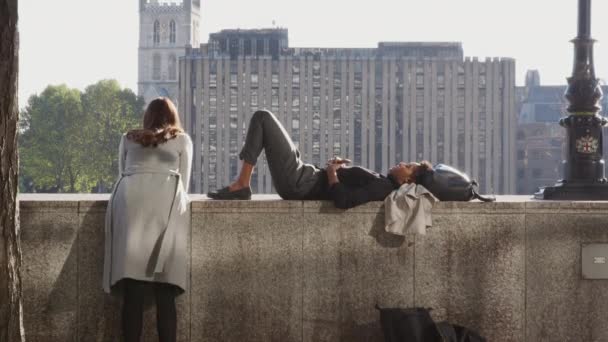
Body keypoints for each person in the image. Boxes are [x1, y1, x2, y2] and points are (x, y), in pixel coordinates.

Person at [208, 110, 431, 209]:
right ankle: (242, 184)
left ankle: (242, 185)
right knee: (265, 121)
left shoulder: (383, 188)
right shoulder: (382, 182)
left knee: (263, 117)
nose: (402, 164)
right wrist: (334, 168)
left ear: (407, 182)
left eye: (408, 167)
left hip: (300, 182)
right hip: (304, 176)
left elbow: (343, 201)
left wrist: (333, 173)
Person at [103, 97, 193, 342]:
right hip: (165, 208)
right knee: (165, 292)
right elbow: (184, 183)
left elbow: (122, 172)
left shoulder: (128, 138)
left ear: (147, 117)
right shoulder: (182, 140)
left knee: (133, 292)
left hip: (130, 207)